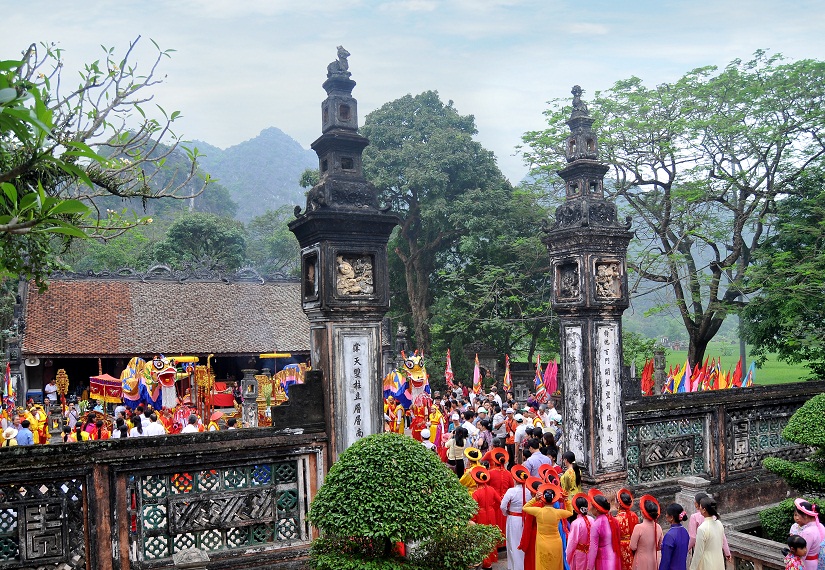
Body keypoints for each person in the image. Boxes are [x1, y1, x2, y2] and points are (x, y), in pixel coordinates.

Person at [522, 482, 573, 570]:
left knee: (543, 565)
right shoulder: (558, 512)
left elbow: (525, 508)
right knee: (556, 565)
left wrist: (535, 499)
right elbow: (570, 512)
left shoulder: (538, 511)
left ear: (543, 498)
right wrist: (566, 500)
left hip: (542, 543)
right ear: (554, 499)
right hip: (556, 543)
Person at [471, 466, 501, 569]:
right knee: (490, 538)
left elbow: (473, 509)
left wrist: (473, 519)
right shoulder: (491, 489)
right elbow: (499, 502)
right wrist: (493, 509)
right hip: (491, 514)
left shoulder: (476, 493)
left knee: (482, 538)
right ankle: (490, 561)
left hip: (481, 515)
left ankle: (485, 562)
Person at [501, 465, 531, 570]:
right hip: (524, 519)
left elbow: (502, 506)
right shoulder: (528, 492)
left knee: (512, 544)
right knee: (522, 543)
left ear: (515, 479)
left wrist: (506, 513)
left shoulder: (511, 491)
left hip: (513, 519)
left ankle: (514, 567)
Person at [688, 493, 731, 558]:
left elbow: (693, 538)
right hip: (714, 550)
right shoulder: (714, 516)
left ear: (697, 504)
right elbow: (722, 537)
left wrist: (686, 549)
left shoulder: (694, 517)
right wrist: (727, 552)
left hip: (700, 550)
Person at [588, 489, 622, 570]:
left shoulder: (596, 525)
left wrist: (589, 566)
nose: (590, 508)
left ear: (596, 509)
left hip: (603, 560)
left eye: (592, 505)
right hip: (615, 557)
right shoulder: (614, 520)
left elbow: (593, 548)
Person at [630, 495, 663, 570]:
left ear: (643, 513)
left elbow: (633, 546)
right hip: (654, 559)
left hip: (641, 560)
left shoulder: (638, 528)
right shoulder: (658, 527)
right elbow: (660, 546)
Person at [790, 499, 823, 570]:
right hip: (817, 562)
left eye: (798, 515)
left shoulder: (808, 532)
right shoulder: (820, 526)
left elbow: (802, 554)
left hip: (807, 564)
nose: (796, 519)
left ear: (805, 515)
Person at [566, 493, 594, 570]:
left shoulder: (576, 523)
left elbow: (572, 543)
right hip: (591, 553)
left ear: (576, 509)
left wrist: (567, 559)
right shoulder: (592, 519)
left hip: (579, 554)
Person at [660, 503, 690, 570]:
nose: (665, 515)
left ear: (671, 517)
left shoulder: (670, 535)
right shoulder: (685, 531)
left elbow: (665, 560)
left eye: (667, 514)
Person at [616, 488, 640, 570]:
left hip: (621, 546)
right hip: (634, 544)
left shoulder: (617, 519)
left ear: (619, 504)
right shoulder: (634, 516)